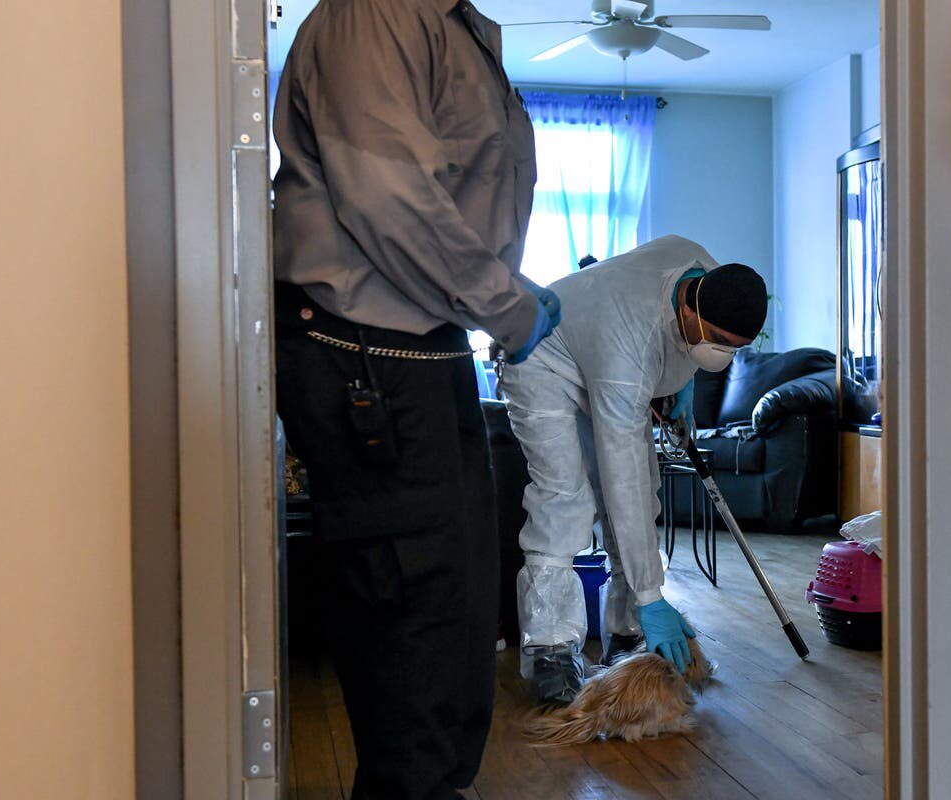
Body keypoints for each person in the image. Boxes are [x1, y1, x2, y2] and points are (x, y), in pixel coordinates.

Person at [271, 1, 557, 798]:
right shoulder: (378, 11)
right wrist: (510, 306)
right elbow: (391, 198)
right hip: (366, 349)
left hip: (412, 345)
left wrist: (497, 295)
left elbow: (445, 198)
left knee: (456, 614)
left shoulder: (454, 25)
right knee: (418, 621)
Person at [498, 235, 768, 703]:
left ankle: (625, 634)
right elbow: (618, 476)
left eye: (735, 349)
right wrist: (653, 596)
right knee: (567, 499)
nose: (723, 356)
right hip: (543, 360)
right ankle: (551, 650)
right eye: (718, 343)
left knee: (644, 491)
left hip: (605, 358)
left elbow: (634, 486)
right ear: (689, 308)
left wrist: (679, 381)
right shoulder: (633, 338)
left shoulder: (708, 274)